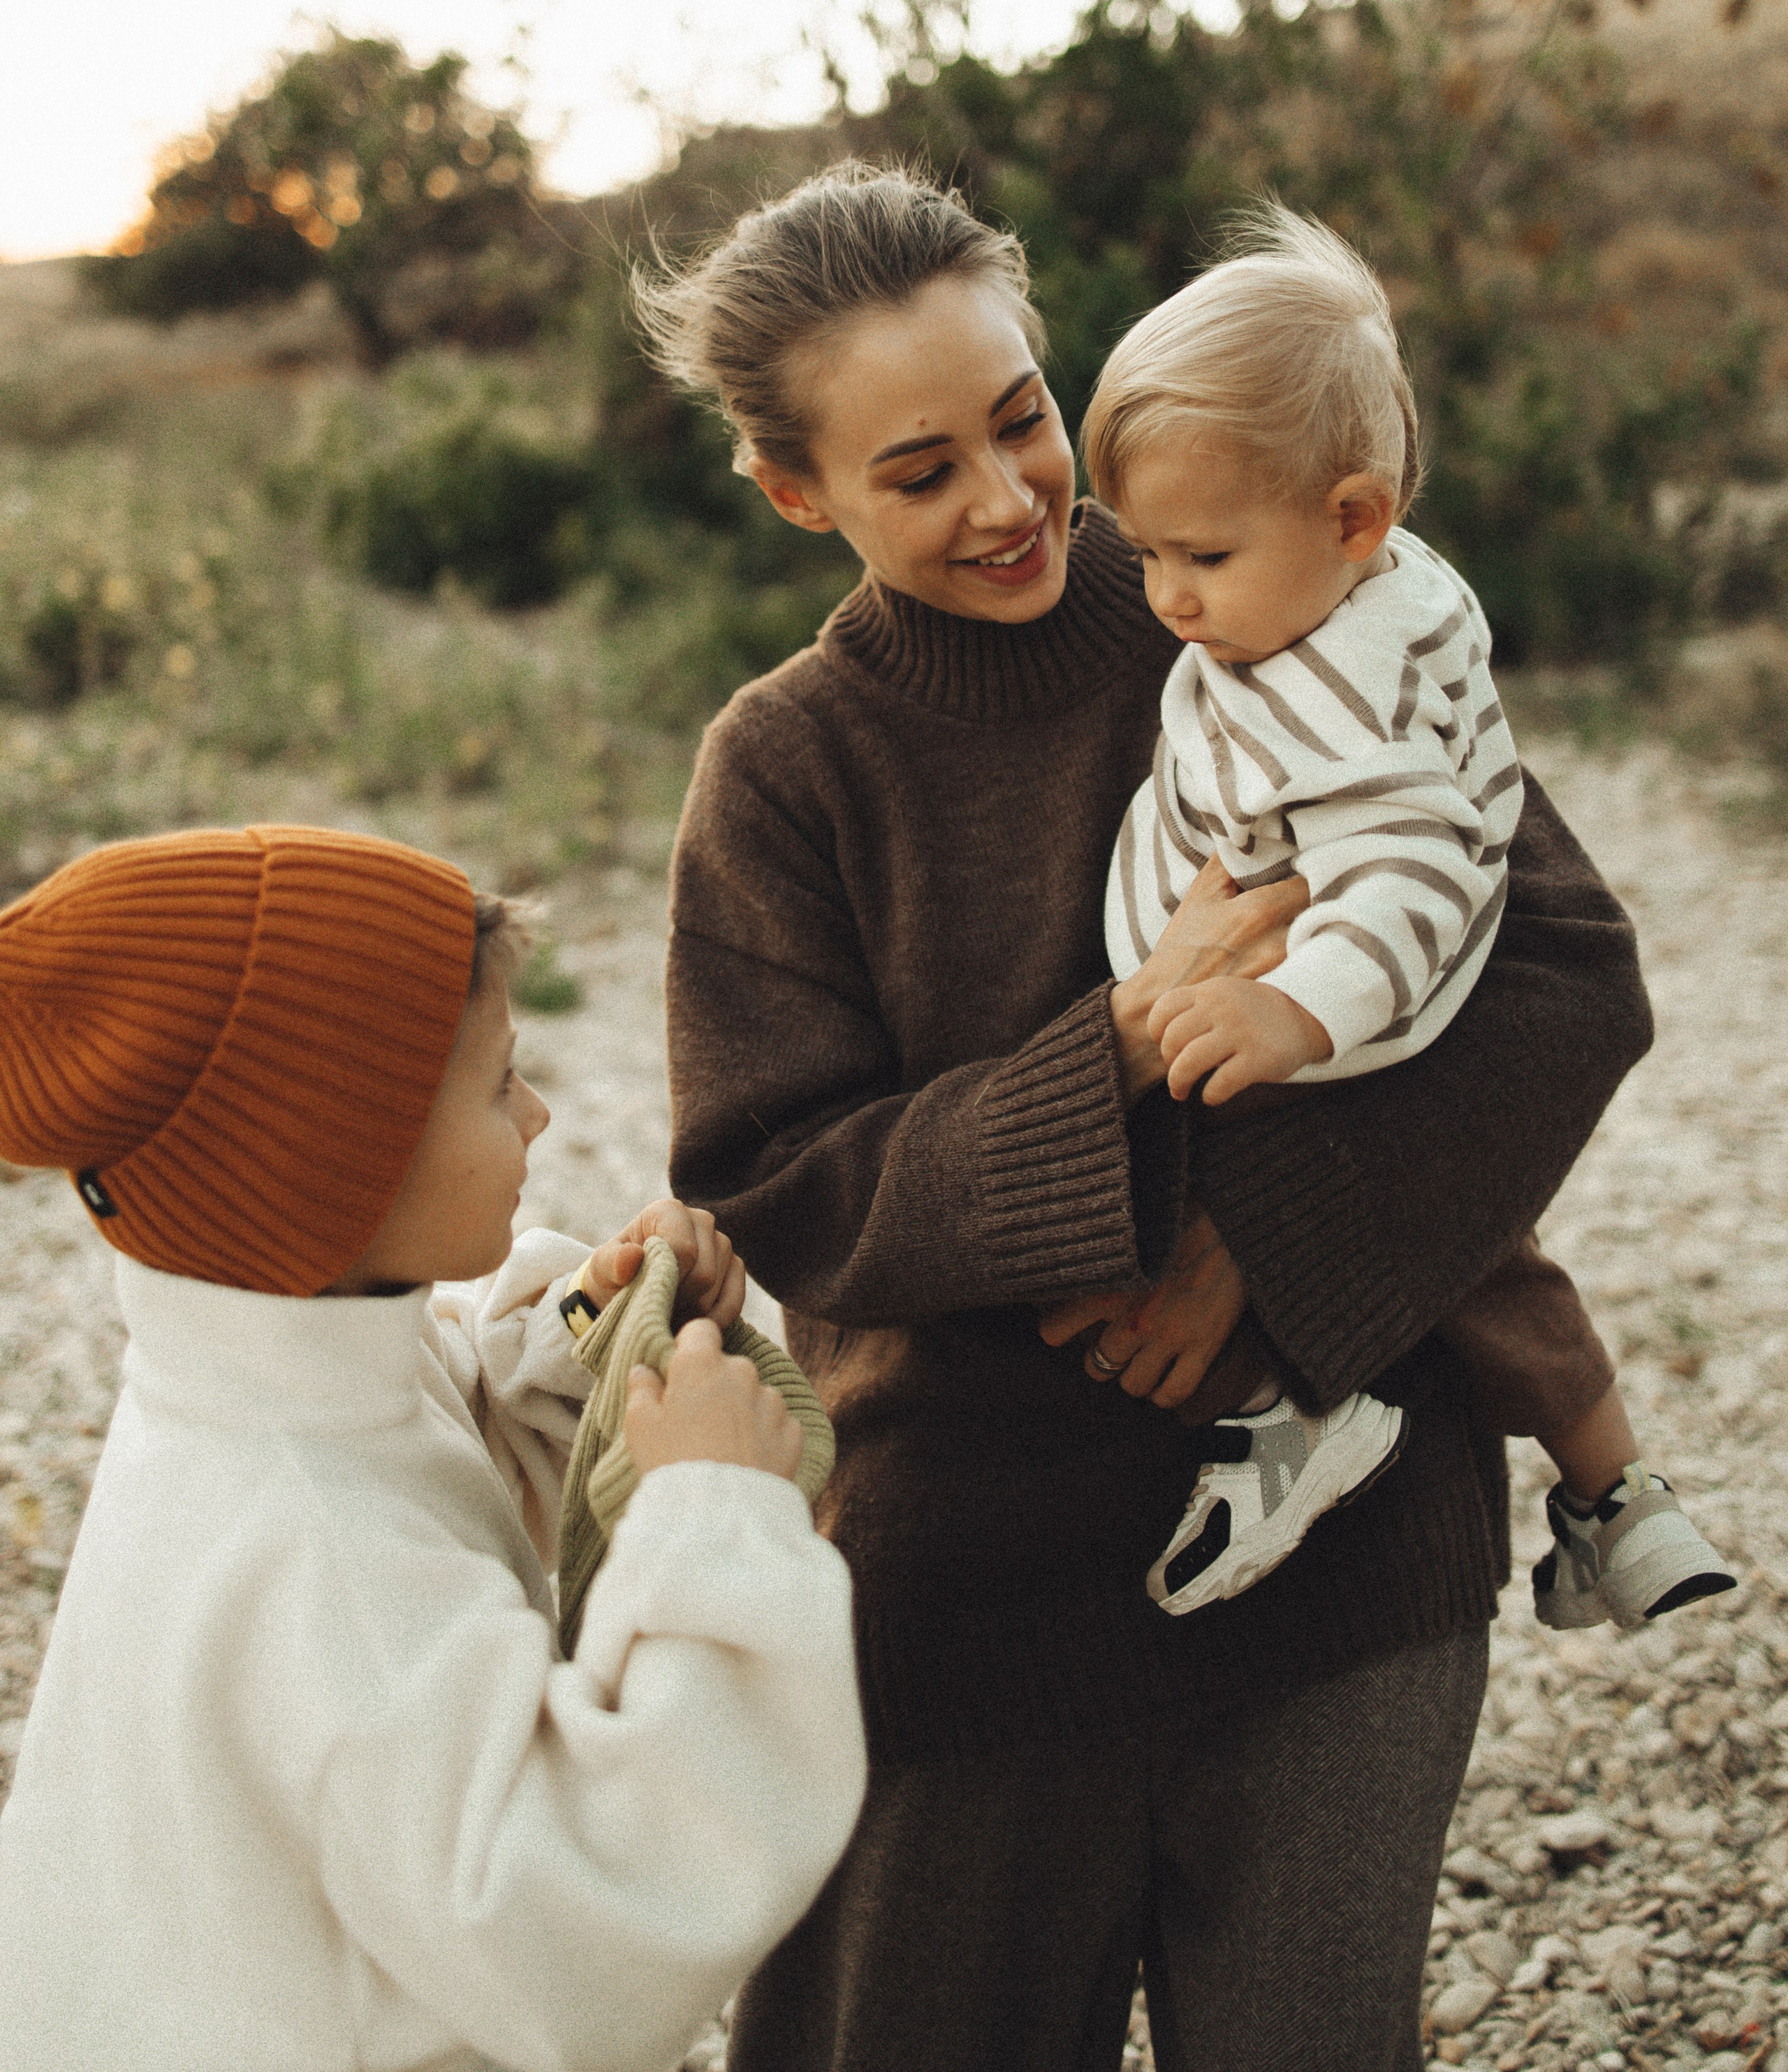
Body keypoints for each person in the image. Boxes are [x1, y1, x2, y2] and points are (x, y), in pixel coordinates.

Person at [638, 161, 1657, 2072]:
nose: (1013, 499)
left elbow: (1563, 978)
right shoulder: (784, 772)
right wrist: (1114, 1047)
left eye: (1023, 420)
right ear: (801, 494)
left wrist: (1269, 1262)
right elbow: (790, 1185)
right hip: (970, 1597)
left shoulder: (1280, 594)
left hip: (1351, 1569)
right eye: (919, 469)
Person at [0, 824, 865, 2072]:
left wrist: (584, 1337)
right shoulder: (325, 1564)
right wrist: (711, 1507)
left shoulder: (243, 1382)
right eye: (498, 1081)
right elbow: (595, 1929)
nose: (540, 1112)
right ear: (332, 1166)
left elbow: (437, 1370)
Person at [1083, 202, 1734, 1630]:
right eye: (1141, 554)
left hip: (1322, 1008)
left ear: (1352, 519)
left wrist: (1288, 1010)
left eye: (1197, 555)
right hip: (1311, 991)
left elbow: (1423, 858)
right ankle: (1611, 1493)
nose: (1163, 598)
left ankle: (1300, 1417)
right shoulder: (1368, 594)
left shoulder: (1339, 692)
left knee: (1173, 1220)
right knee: (1487, 1256)